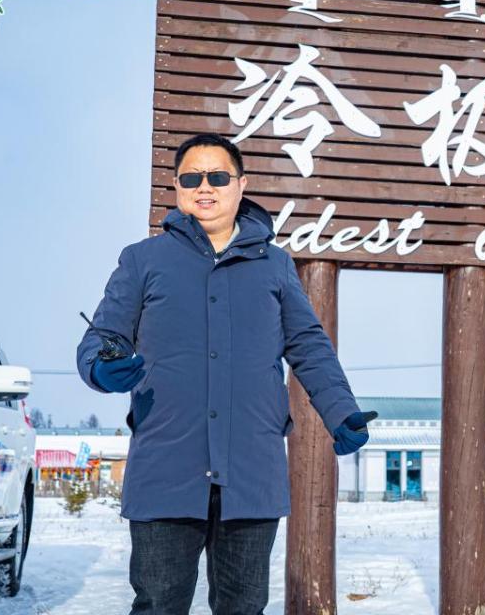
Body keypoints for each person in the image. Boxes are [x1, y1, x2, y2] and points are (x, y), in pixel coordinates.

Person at [75, 133, 375, 615]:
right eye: (191, 178)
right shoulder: (142, 261)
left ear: (241, 184)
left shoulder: (275, 266)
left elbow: (308, 345)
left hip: (251, 473)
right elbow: (102, 336)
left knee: (244, 607)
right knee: (158, 605)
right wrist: (101, 367)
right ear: (176, 187)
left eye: (217, 176)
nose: (204, 187)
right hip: (166, 471)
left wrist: (341, 412)